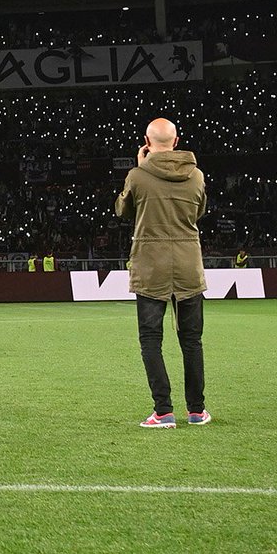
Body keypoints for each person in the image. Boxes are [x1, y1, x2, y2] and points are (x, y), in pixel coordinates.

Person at [115, 116, 211, 428]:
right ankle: (196, 411)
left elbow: (123, 210)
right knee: (192, 341)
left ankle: (164, 411)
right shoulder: (196, 176)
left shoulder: (138, 176)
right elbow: (199, 212)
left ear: (146, 142)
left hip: (150, 266)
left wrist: (140, 167)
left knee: (150, 340)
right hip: (188, 266)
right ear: (176, 140)